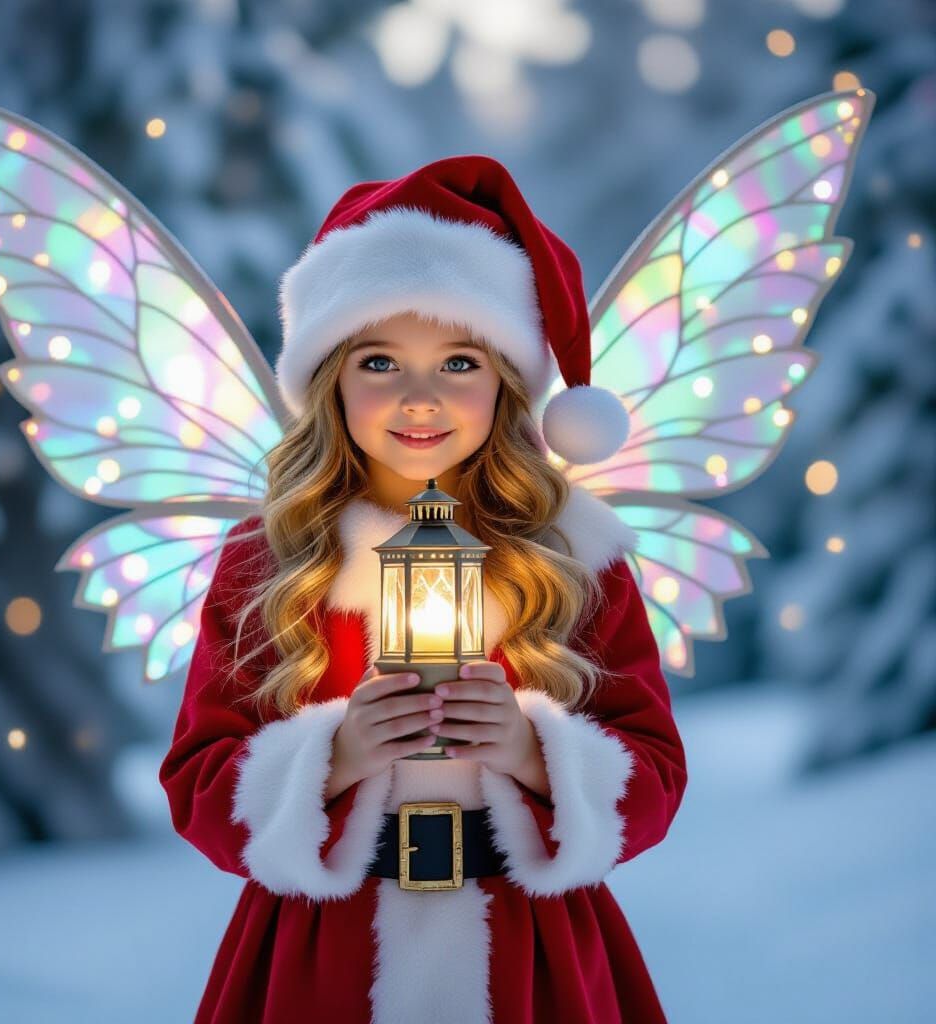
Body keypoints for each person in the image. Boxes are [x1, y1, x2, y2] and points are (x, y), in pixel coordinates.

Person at [159, 155, 687, 1024]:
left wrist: (530, 752)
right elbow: (197, 783)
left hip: (531, 952)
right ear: (328, 379)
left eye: (457, 362)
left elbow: (656, 772)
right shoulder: (274, 562)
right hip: (324, 952)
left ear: (506, 384)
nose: (418, 397)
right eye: (377, 362)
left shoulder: (570, 558)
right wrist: (334, 758)